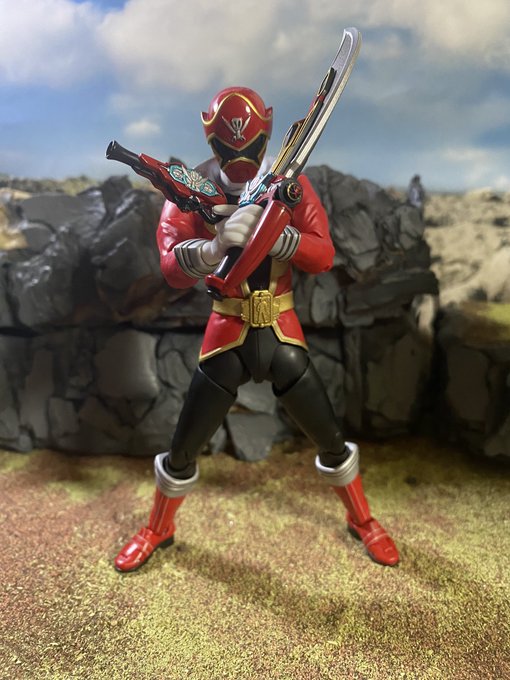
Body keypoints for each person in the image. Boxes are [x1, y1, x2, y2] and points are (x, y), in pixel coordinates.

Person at [114, 87, 399, 572]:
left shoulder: (288, 184)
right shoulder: (191, 186)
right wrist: (213, 248)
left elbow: (322, 255)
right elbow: (171, 265)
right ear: (212, 140)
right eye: (229, 149)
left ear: (266, 134)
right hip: (226, 331)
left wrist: (278, 236)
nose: (240, 159)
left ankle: (363, 519)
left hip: (282, 331)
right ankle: (159, 527)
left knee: (329, 436)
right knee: (184, 444)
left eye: (250, 147)